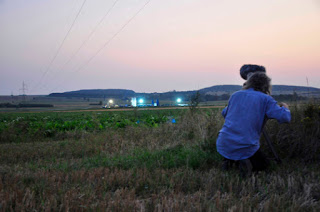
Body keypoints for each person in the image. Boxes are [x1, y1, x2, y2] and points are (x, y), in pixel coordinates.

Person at [216, 71, 291, 176]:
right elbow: (285, 118)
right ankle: (244, 162)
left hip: (224, 141)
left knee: (235, 147)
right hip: (246, 144)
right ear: (266, 85)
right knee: (264, 165)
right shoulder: (266, 99)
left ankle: (230, 161)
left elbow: (224, 113)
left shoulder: (235, 95)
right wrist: (285, 108)